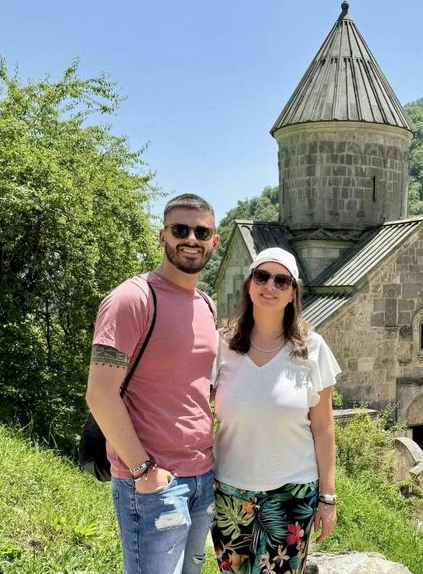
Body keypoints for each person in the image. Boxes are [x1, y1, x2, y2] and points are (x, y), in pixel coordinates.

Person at [85, 193, 220, 574]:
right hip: (153, 481)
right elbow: (99, 393)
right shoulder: (132, 299)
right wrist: (143, 470)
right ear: (162, 236)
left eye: (201, 231)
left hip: (203, 476)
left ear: (215, 240)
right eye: (180, 229)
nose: (190, 239)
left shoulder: (207, 305)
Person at [211, 247, 340, 573]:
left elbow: (323, 427)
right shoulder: (221, 344)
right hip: (230, 491)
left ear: (293, 291)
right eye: (262, 276)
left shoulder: (312, 347)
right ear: (249, 284)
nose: (270, 285)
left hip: (291, 494)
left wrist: (328, 498)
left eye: (282, 280)